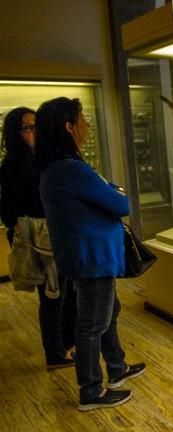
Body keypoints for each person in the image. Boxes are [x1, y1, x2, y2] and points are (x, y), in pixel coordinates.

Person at [35, 97, 145, 411]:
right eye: (82, 118)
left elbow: (105, 193)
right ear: (68, 127)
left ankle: (116, 368)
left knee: (107, 314)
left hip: (85, 256)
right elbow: (121, 203)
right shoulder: (71, 170)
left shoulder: (56, 168)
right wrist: (116, 191)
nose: (87, 124)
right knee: (92, 324)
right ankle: (91, 391)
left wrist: (110, 190)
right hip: (92, 258)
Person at [0, 106, 76, 369]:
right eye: (27, 127)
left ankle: (65, 345)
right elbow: (10, 210)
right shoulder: (12, 166)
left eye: (36, 126)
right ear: (15, 132)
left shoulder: (41, 159)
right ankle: (55, 352)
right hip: (39, 240)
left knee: (63, 293)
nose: (33, 132)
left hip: (52, 236)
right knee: (52, 296)